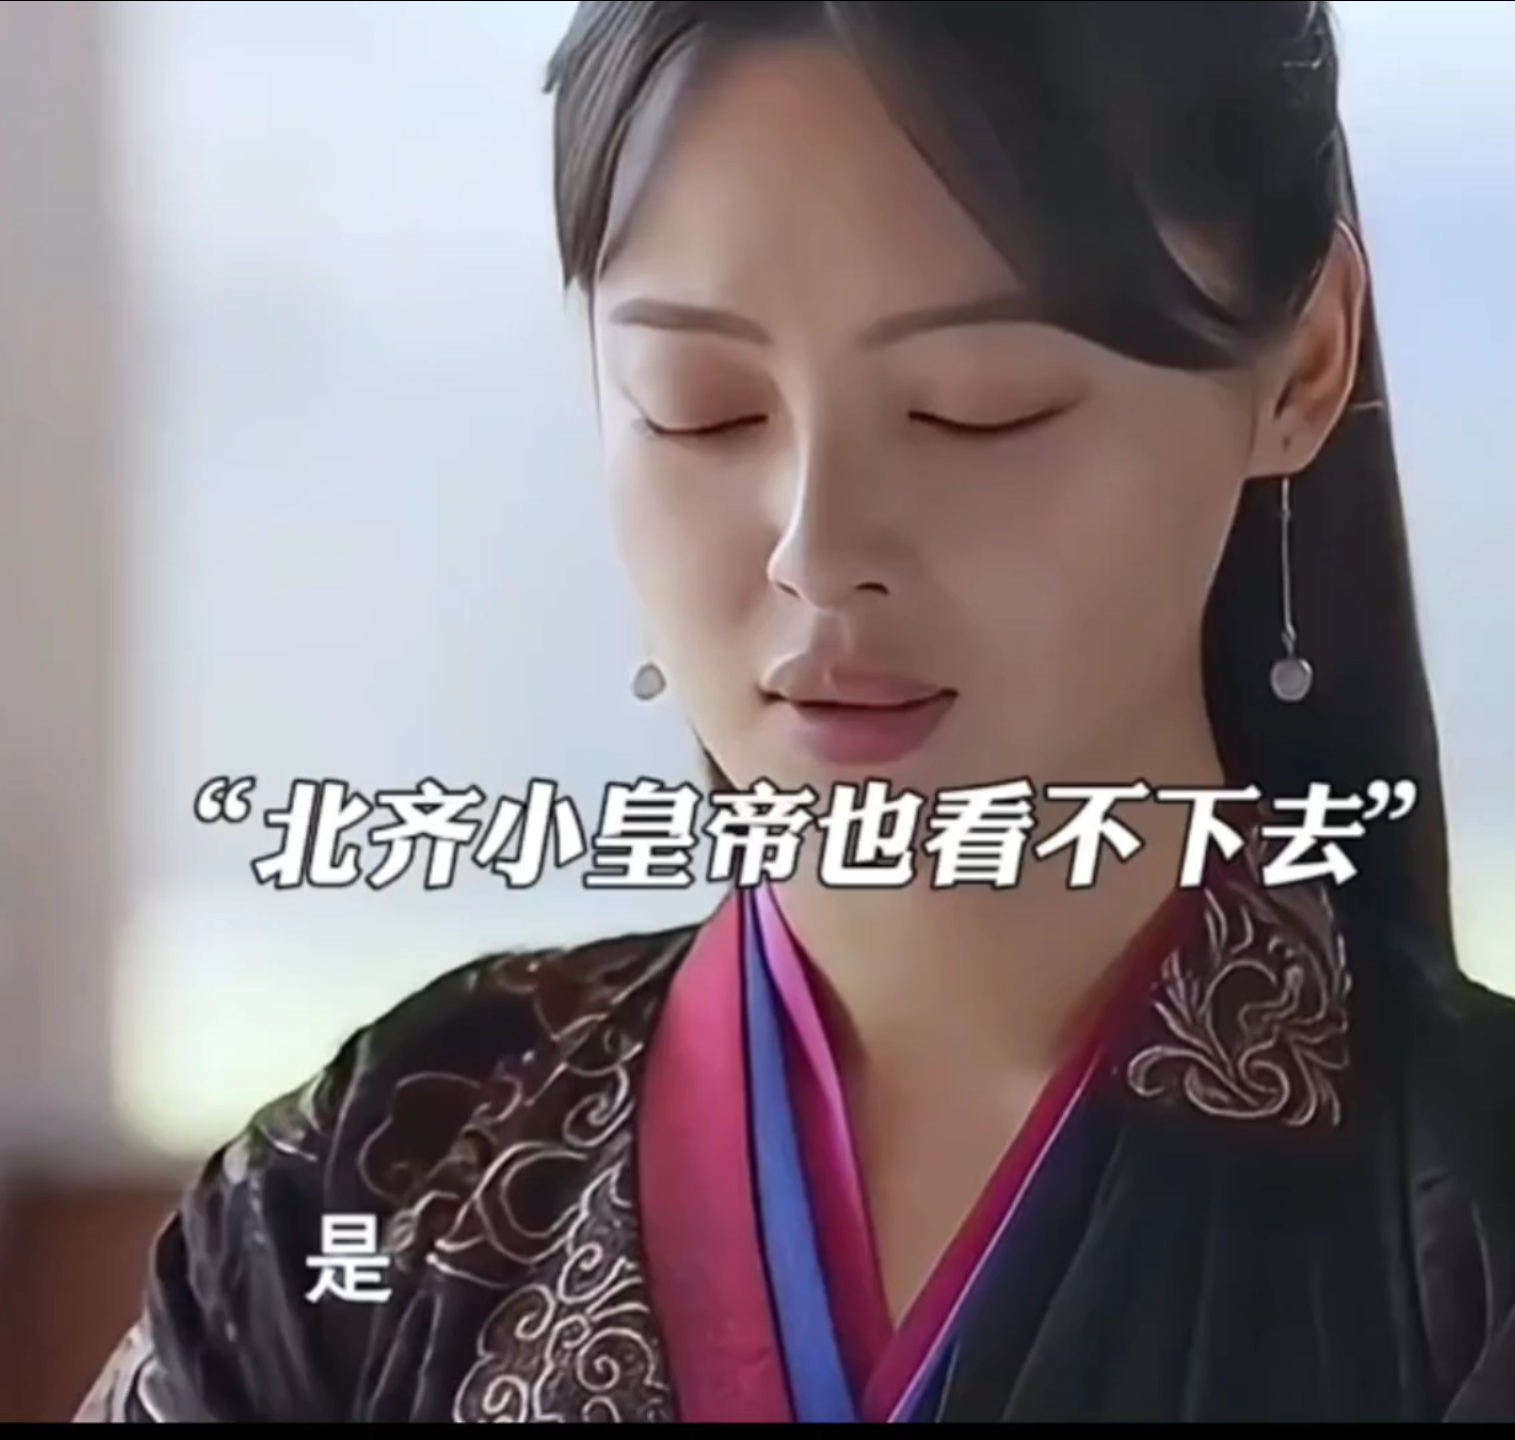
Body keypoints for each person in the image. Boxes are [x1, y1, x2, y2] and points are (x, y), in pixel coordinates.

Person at [77, 2, 1515, 1422]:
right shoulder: (365, 1192)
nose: (815, 554)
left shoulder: (1472, 1240)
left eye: (979, 405)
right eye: (700, 406)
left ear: (1303, 363)